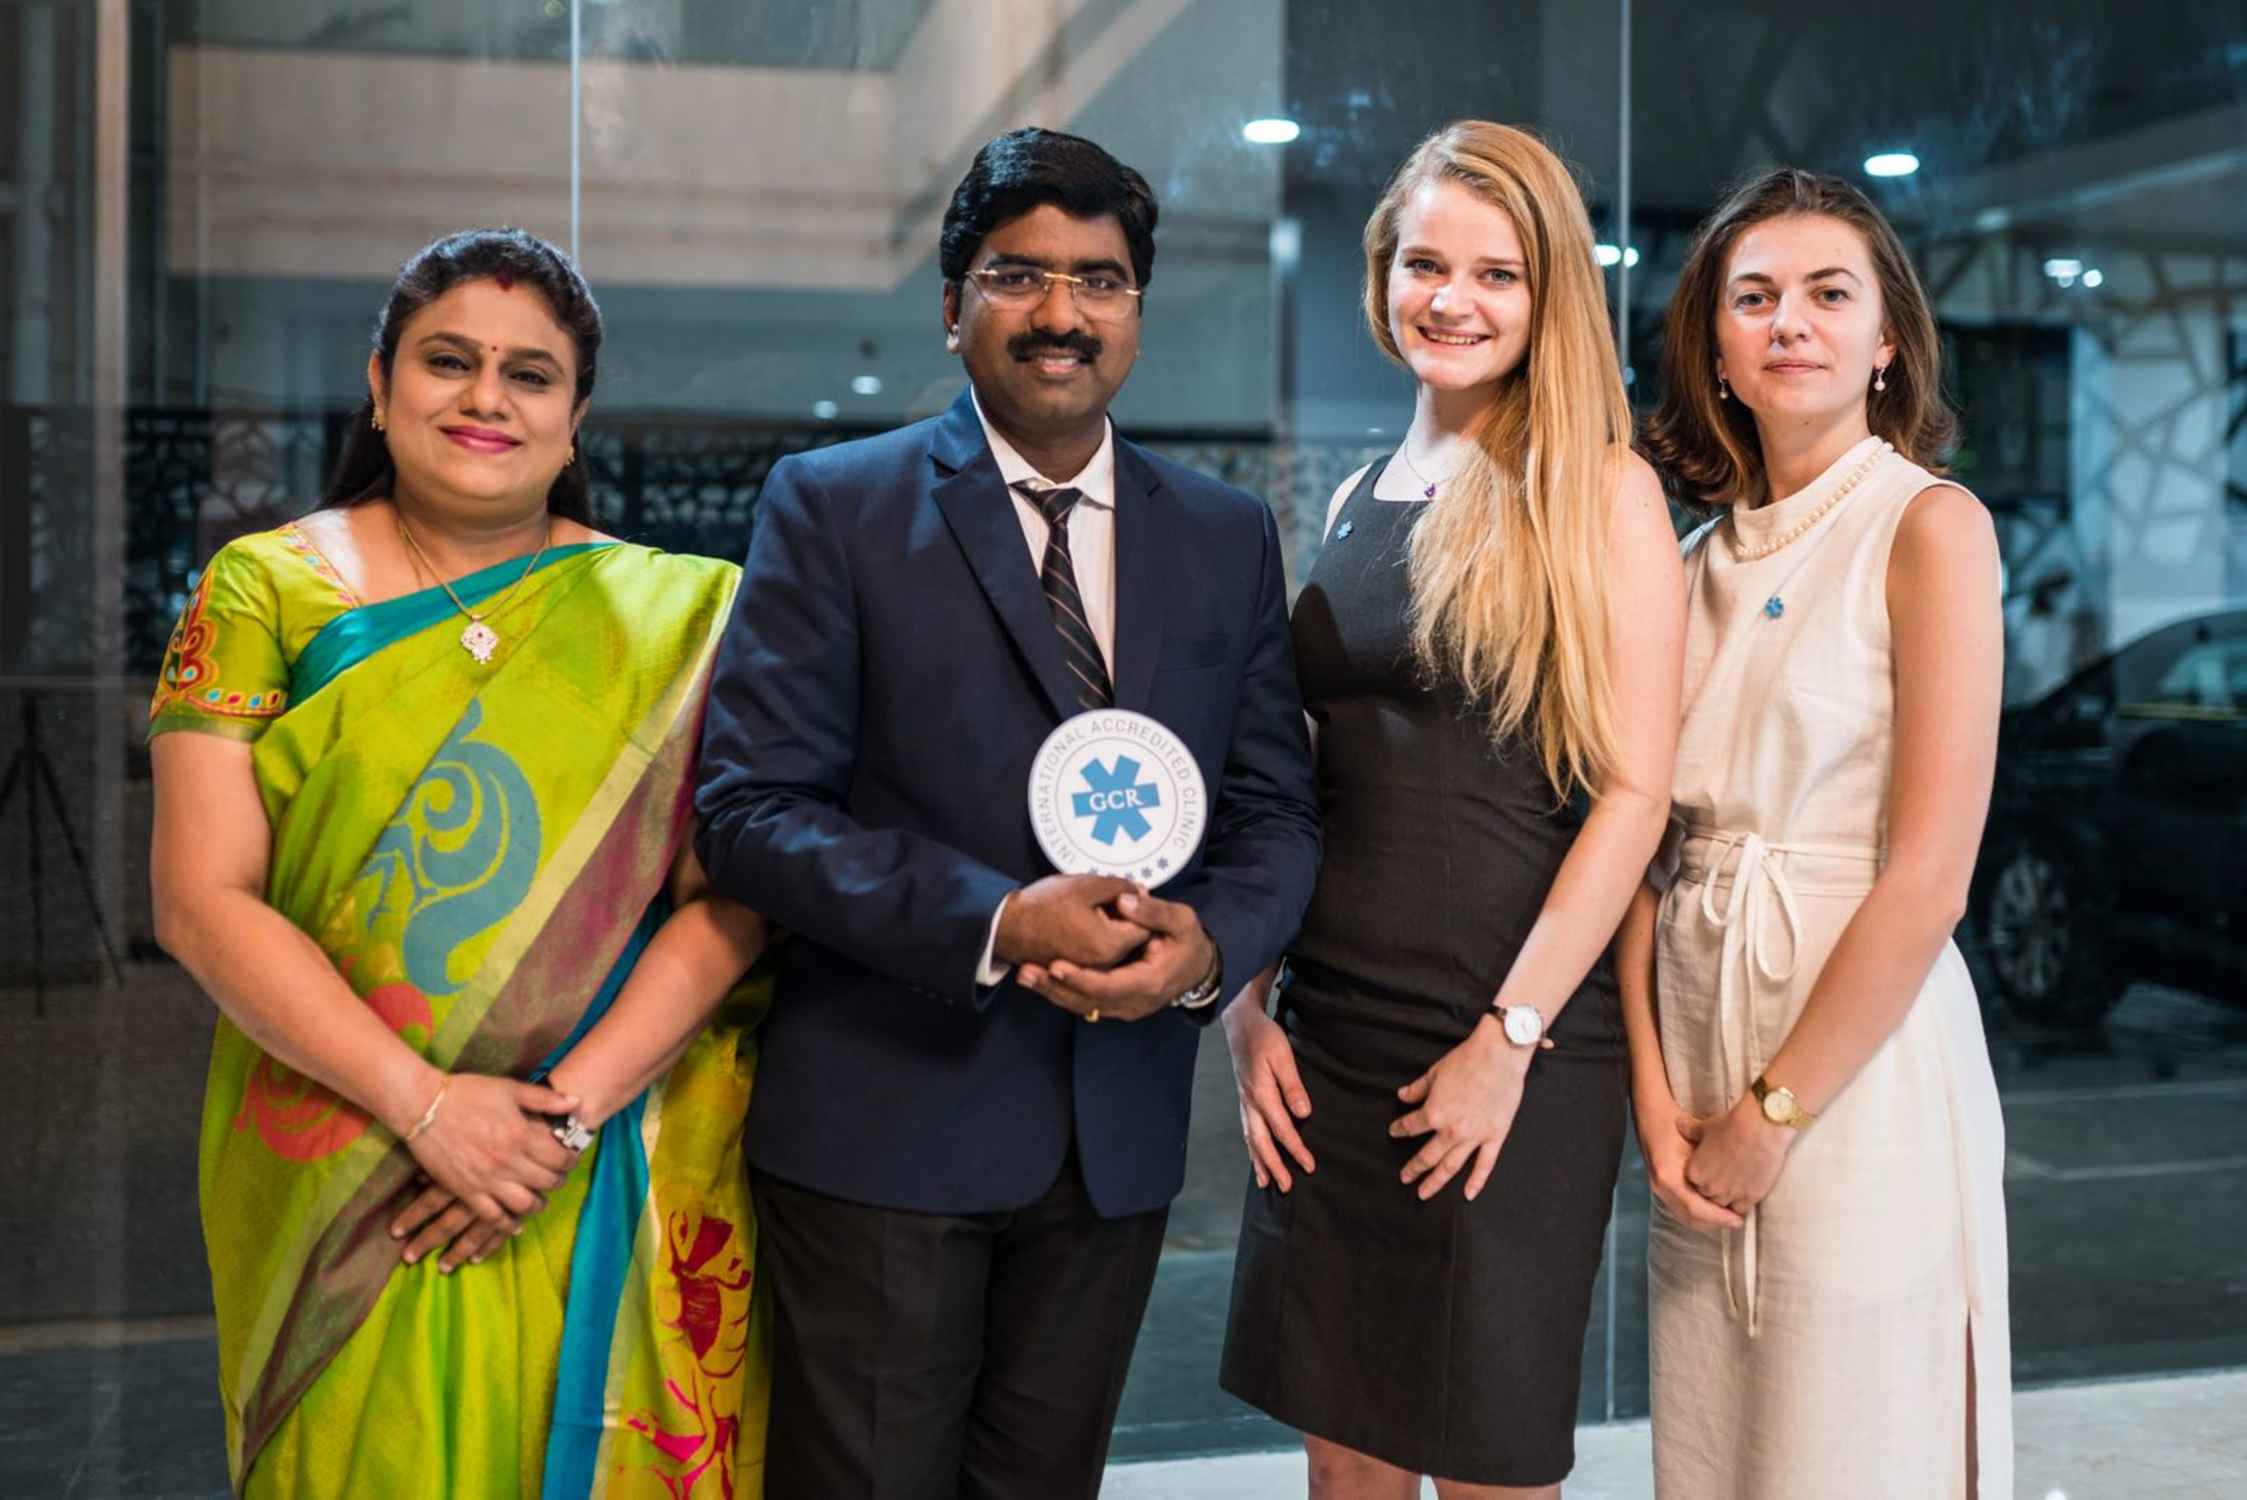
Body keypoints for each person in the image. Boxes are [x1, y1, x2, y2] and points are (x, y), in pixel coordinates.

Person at [693, 126, 1322, 1500]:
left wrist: (1207, 953)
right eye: (1017, 275)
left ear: (1135, 312)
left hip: (1111, 1143)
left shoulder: (1222, 535)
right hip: (883, 1126)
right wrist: (998, 921)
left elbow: (1276, 811)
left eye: (1098, 280)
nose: (1060, 312)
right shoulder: (836, 507)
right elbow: (749, 810)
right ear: (951, 305)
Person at [149, 228, 772, 1499]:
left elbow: (731, 907)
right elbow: (201, 903)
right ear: (380, 387)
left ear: (575, 418)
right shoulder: (263, 589)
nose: (486, 397)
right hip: (343, 1143)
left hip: (594, 1148)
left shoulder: (684, 617)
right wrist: (428, 1109)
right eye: (448, 361)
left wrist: (552, 1123)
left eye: (529, 375)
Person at [1219, 121, 1686, 1497]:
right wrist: (1246, 1006)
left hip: (1508, 1050)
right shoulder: (1357, 496)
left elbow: (1633, 796)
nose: (1452, 299)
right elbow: (1300, 781)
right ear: (1382, 275)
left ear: (1548, 297)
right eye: (1425, 263)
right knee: (1344, 1466)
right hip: (1329, 1043)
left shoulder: (1600, 492)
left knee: (1490, 1462)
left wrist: (1509, 1040)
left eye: (1497, 273)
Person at [1626, 168, 2013, 1497]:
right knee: (1718, 1446)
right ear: (1714, 352)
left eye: (1828, 293)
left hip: (1856, 1062)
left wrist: (1773, 1113)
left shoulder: (1927, 525)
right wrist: (1654, 1103)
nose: (1789, 322)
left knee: (1850, 1444)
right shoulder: (1685, 563)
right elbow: (1640, 856)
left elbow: (1931, 878)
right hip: (1695, 1036)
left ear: (1885, 338)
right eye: (1754, 298)